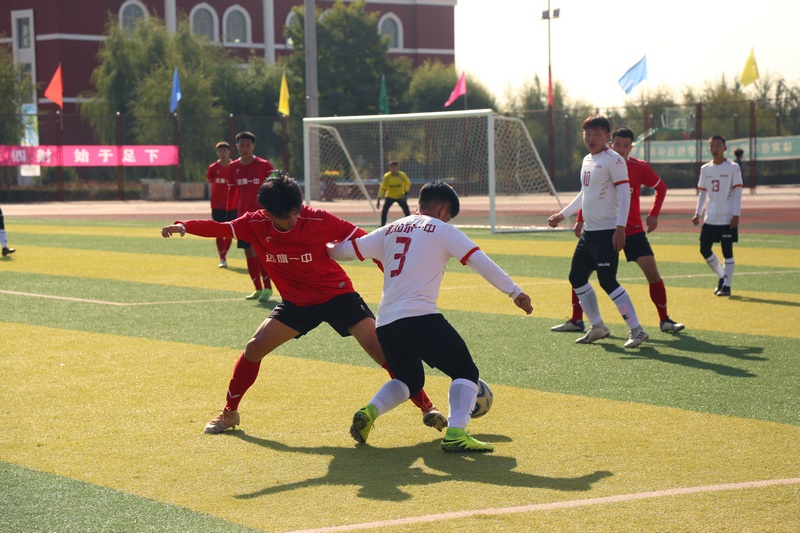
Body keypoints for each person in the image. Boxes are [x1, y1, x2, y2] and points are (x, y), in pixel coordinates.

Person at [161, 170, 447, 435]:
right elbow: (221, 227)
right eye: (285, 217)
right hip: (297, 303)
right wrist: (185, 225)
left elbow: (369, 243)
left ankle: (428, 407)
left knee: (380, 350)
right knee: (254, 348)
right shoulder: (253, 224)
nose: (293, 219)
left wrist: (393, 277)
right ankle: (229, 413)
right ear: (267, 213)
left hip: (338, 296)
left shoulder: (319, 219)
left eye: (295, 211)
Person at [329, 181, 533, 453]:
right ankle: (456, 433)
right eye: (449, 216)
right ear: (443, 209)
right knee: (465, 371)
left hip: (386, 323)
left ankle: (370, 411)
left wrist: (313, 245)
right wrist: (514, 291)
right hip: (419, 316)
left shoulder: (390, 229)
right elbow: (480, 261)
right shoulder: (443, 230)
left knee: (408, 381)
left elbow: (342, 251)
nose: (448, 220)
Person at [551, 126, 685, 335]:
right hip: (605, 230)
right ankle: (577, 320)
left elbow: (660, 188)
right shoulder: (600, 161)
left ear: (631, 147)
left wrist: (653, 214)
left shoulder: (637, 167)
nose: (621, 149)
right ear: (610, 143)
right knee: (580, 274)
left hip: (630, 230)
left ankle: (664, 320)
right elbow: (589, 194)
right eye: (617, 144)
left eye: (626, 145)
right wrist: (580, 218)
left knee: (651, 273)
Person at [548, 115, 648, 348]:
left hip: (607, 231)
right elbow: (585, 194)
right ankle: (598, 326)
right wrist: (563, 214)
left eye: (597, 134)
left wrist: (620, 228)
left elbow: (625, 195)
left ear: (607, 136)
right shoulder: (587, 159)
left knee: (608, 281)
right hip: (590, 233)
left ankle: (637, 329)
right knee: (576, 278)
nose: (591, 138)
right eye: (587, 134)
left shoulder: (614, 160)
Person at [692, 135, 743, 297]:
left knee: (727, 251)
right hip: (711, 217)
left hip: (727, 217)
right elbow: (702, 193)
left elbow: (738, 192)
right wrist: (698, 213)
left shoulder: (733, 167)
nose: (715, 149)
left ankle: (727, 286)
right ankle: (722, 276)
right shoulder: (705, 169)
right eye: (712, 146)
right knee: (704, 248)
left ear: (724, 148)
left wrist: (736, 214)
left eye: (718, 146)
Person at [228, 131, 274, 301]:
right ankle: (257, 288)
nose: (245, 148)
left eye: (248, 145)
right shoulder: (233, 167)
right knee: (248, 251)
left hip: (262, 217)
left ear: (253, 146)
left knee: (261, 252)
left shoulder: (264, 165)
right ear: (237, 147)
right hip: (243, 218)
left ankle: (268, 288)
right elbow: (232, 190)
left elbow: (276, 185)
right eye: (242, 145)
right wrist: (229, 212)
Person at [206, 141, 237, 268]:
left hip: (232, 205)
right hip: (217, 205)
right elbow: (209, 179)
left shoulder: (235, 166)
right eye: (220, 151)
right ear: (217, 153)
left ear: (229, 152)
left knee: (229, 232)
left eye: (224, 150)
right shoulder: (213, 167)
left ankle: (224, 254)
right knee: (218, 231)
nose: (222, 153)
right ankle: (222, 257)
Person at [376, 161, 411, 226]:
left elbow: (408, 183)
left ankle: (409, 226)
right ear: (389, 168)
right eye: (392, 167)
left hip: (400, 196)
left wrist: (406, 194)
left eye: (395, 167)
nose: (393, 169)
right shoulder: (386, 176)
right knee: (384, 212)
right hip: (390, 196)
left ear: (398, 167)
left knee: (407, 212)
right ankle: (382, 226)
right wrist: (378, 199)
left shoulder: (402, 175)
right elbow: (382, 188)